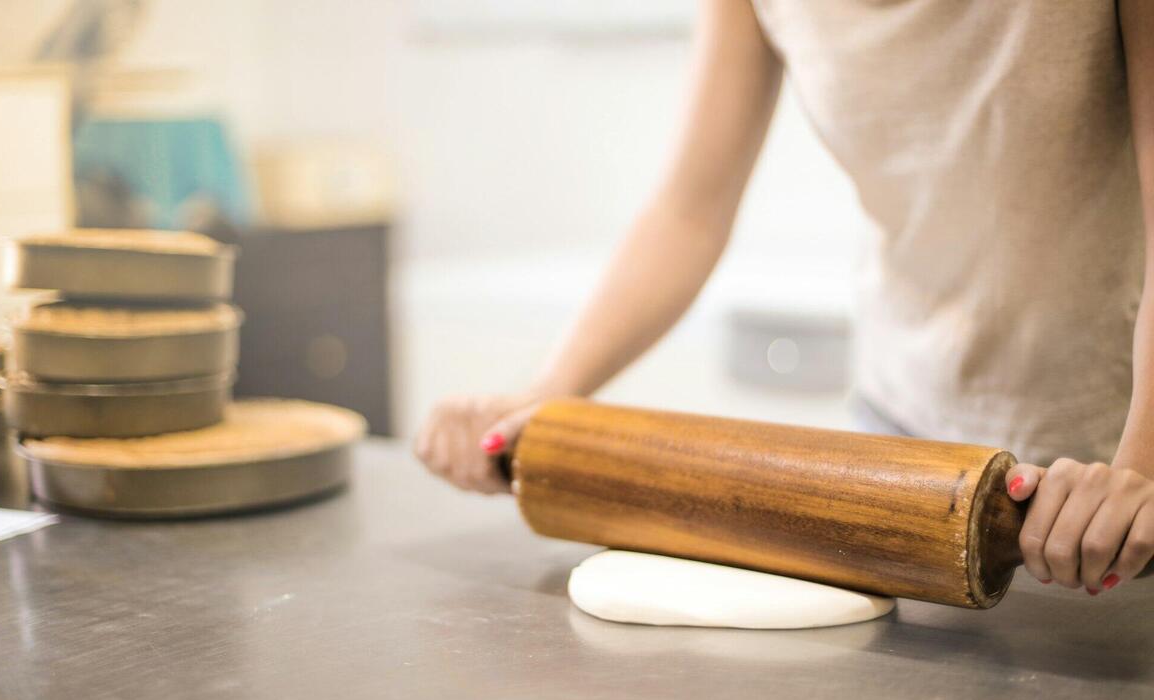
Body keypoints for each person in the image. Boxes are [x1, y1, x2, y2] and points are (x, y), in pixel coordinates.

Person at [415, 1, 1154, 595]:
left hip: (1108, 463)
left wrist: (1138, 471)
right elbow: (690, 209)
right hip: (906, 456)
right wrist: (550, 393)